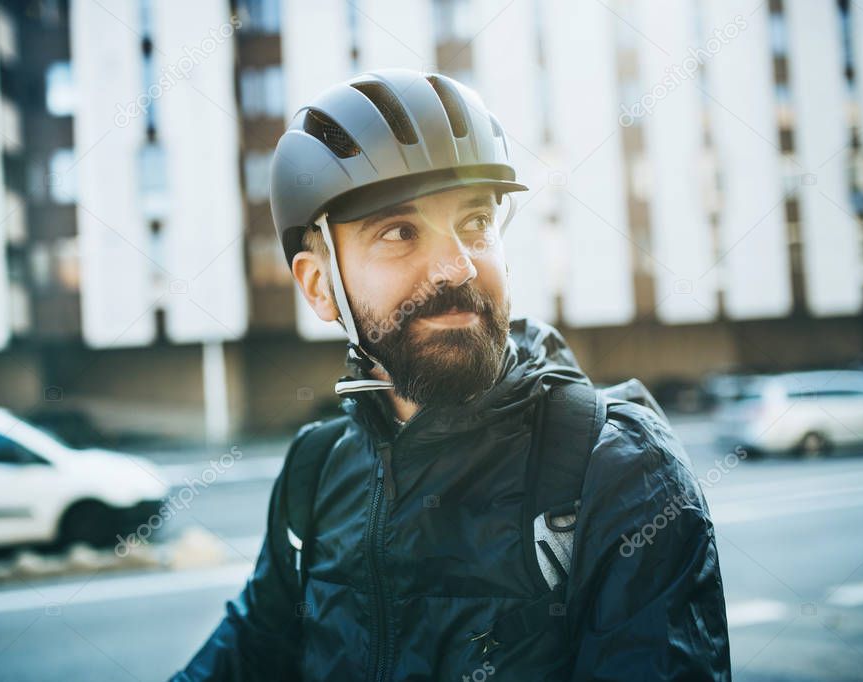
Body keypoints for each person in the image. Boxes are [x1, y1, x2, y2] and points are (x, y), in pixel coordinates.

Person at [171, 68, 731, 681]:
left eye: (474, 222)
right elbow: (244, 657)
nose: (457, 266)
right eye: (400, 232)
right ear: (318, 286)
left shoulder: (622, 474)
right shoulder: (315, 472)